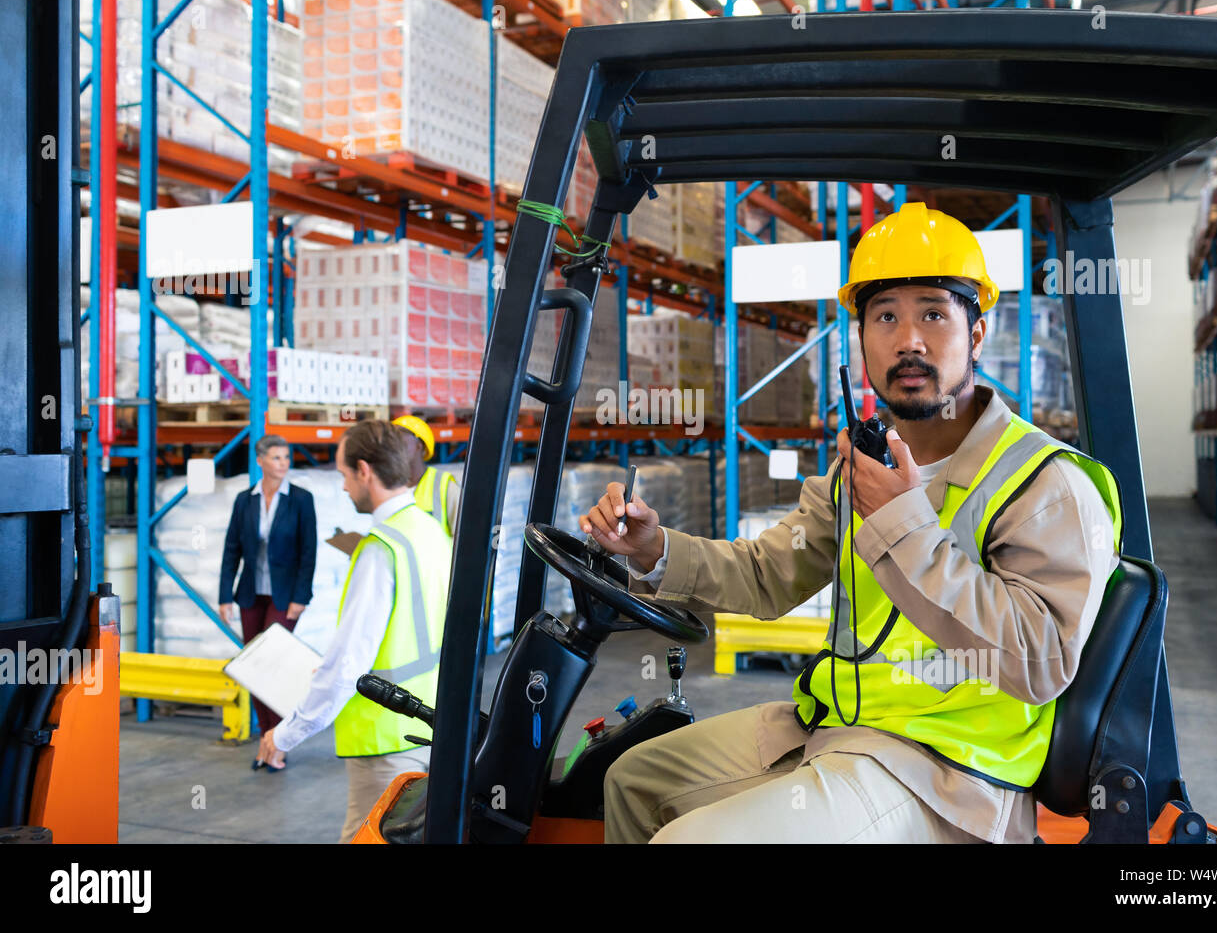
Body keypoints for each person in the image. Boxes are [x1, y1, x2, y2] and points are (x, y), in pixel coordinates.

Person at [580, 202, 1123, 844]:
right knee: (629, 778)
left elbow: (1039, 660)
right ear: (860, 336)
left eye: (933, 313)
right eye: (885, 315)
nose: (909, 339)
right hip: (833, 728)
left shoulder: (1045, 484)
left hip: (949, 776)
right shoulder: (858, 468)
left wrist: (903, 523)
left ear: (976, 334)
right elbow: (769, 575)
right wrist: (654, 549)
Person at [254, 419, 453, 843]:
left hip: (385, 740)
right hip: (431, 724)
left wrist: (285, 734)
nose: (343, 487)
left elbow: (349, 665)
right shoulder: (429, 531)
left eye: (344, 474)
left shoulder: (380, 549)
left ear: (365, 471)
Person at [219, 434, 317, 741]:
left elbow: (308, 551)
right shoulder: (244, 499)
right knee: (255, 667)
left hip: (285, 596)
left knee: (274, 663)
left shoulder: (301, 499)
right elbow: (231, 549)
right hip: (251, 594)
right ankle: (267, 736)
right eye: (276, 458)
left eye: (286, 457)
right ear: (259, 460)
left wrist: (300, 596)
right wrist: (225, 596)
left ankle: (280, 739)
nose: (283, 463)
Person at [393, 414, 461, 539]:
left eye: (399, 438)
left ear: (419, 445)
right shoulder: (388, 487)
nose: (392, 445)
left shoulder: (445, 486)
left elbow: (464, 538)